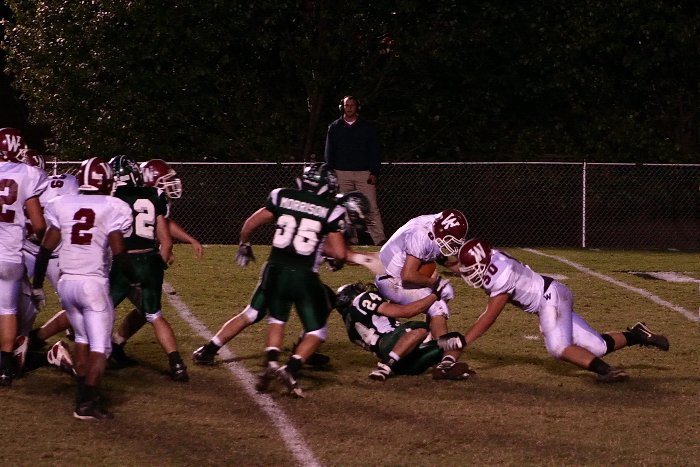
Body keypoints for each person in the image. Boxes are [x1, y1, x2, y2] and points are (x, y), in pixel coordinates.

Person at [201, 162, 347, 398]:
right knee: (317, 331)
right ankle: (291, 368)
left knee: (274, 318)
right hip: (303, 275)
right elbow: (339, 253)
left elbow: (251, 223)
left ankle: (270, 362)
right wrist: (337, 259)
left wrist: (245, 244)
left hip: (274, 270)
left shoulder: (282, 196)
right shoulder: (332, 210)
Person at [191, 190, 369, 368]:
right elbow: (340, 254)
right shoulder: (328, 220)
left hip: (278, 271)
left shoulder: (313, 212)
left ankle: (209, 350)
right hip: (293, 276)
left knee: (253, 313)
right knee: (258, 314)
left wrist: (245, 243)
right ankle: (299, 353)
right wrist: (372, 259)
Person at [457, 238, 670, 382]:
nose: (468, 273)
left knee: (558, 347)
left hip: (550, 299)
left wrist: (464, 341)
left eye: (471, 269)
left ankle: (607, 371)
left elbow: (489, 317)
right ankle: (637, 334)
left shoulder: (501, 277)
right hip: (554, 294)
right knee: (597, 347)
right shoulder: (493, 257)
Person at [31, 157, 133, 419]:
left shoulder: (62, 203)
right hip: (92, 284)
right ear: (106, 181)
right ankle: (86, 404)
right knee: (101, 347)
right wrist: (133, 280)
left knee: (81, 340)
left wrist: (38, 285)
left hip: (66, 283)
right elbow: (120, 253)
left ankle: (82, 392)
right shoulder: (113, 206)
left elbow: (45, 250)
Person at [107, 158, 202, 368]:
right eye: (165, 179)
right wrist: (160, 260)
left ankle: (114, 345)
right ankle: (89, 343)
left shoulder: (118, 197)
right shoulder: (151, 195)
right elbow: (163, 228)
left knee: (141, 310)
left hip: (121, 260)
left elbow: (163, 224)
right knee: (145, 311)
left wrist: (187, 240)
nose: (169, 184)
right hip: (123, 262)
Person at [375, 209, 468, 374]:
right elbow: (408, 275)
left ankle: (430, 338)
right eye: (450, 240)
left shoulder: (436, 223)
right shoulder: (420, 234)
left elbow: (441, 257)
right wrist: (434, 283)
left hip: (395, 273)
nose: (452, 244)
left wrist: (468, 271)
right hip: (391, 280)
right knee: (438, 305)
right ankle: (444, 360)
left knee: (445, 291)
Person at [335, 282, 473, 381]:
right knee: (419, 327)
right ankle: (385, 366)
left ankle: (445, 366)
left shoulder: (350, 324)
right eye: (357, 289)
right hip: (389, 344)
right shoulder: (362, 300)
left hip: (402, 364)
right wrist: (434, 295)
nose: (362, 290)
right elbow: (405, 312)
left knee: (455, 340)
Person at [0, 128, 48, 386]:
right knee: (8, 309)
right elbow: (39, 225)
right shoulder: (28, 173)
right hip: (10, 253)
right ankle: (5, 366)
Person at [324, 95, 386, 246]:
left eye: (352, 105)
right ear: (342, 107)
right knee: (343, 208)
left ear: (357, 107)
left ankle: (380, 240)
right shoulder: (334, 127)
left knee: (371, 207)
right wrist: (331, 172)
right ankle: (349, 240)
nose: (349, 108)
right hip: (341, 173)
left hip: (364, 173)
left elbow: (374, 151)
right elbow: (329, 152)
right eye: (347, 105)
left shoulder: (367, 127)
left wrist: (374, 172)